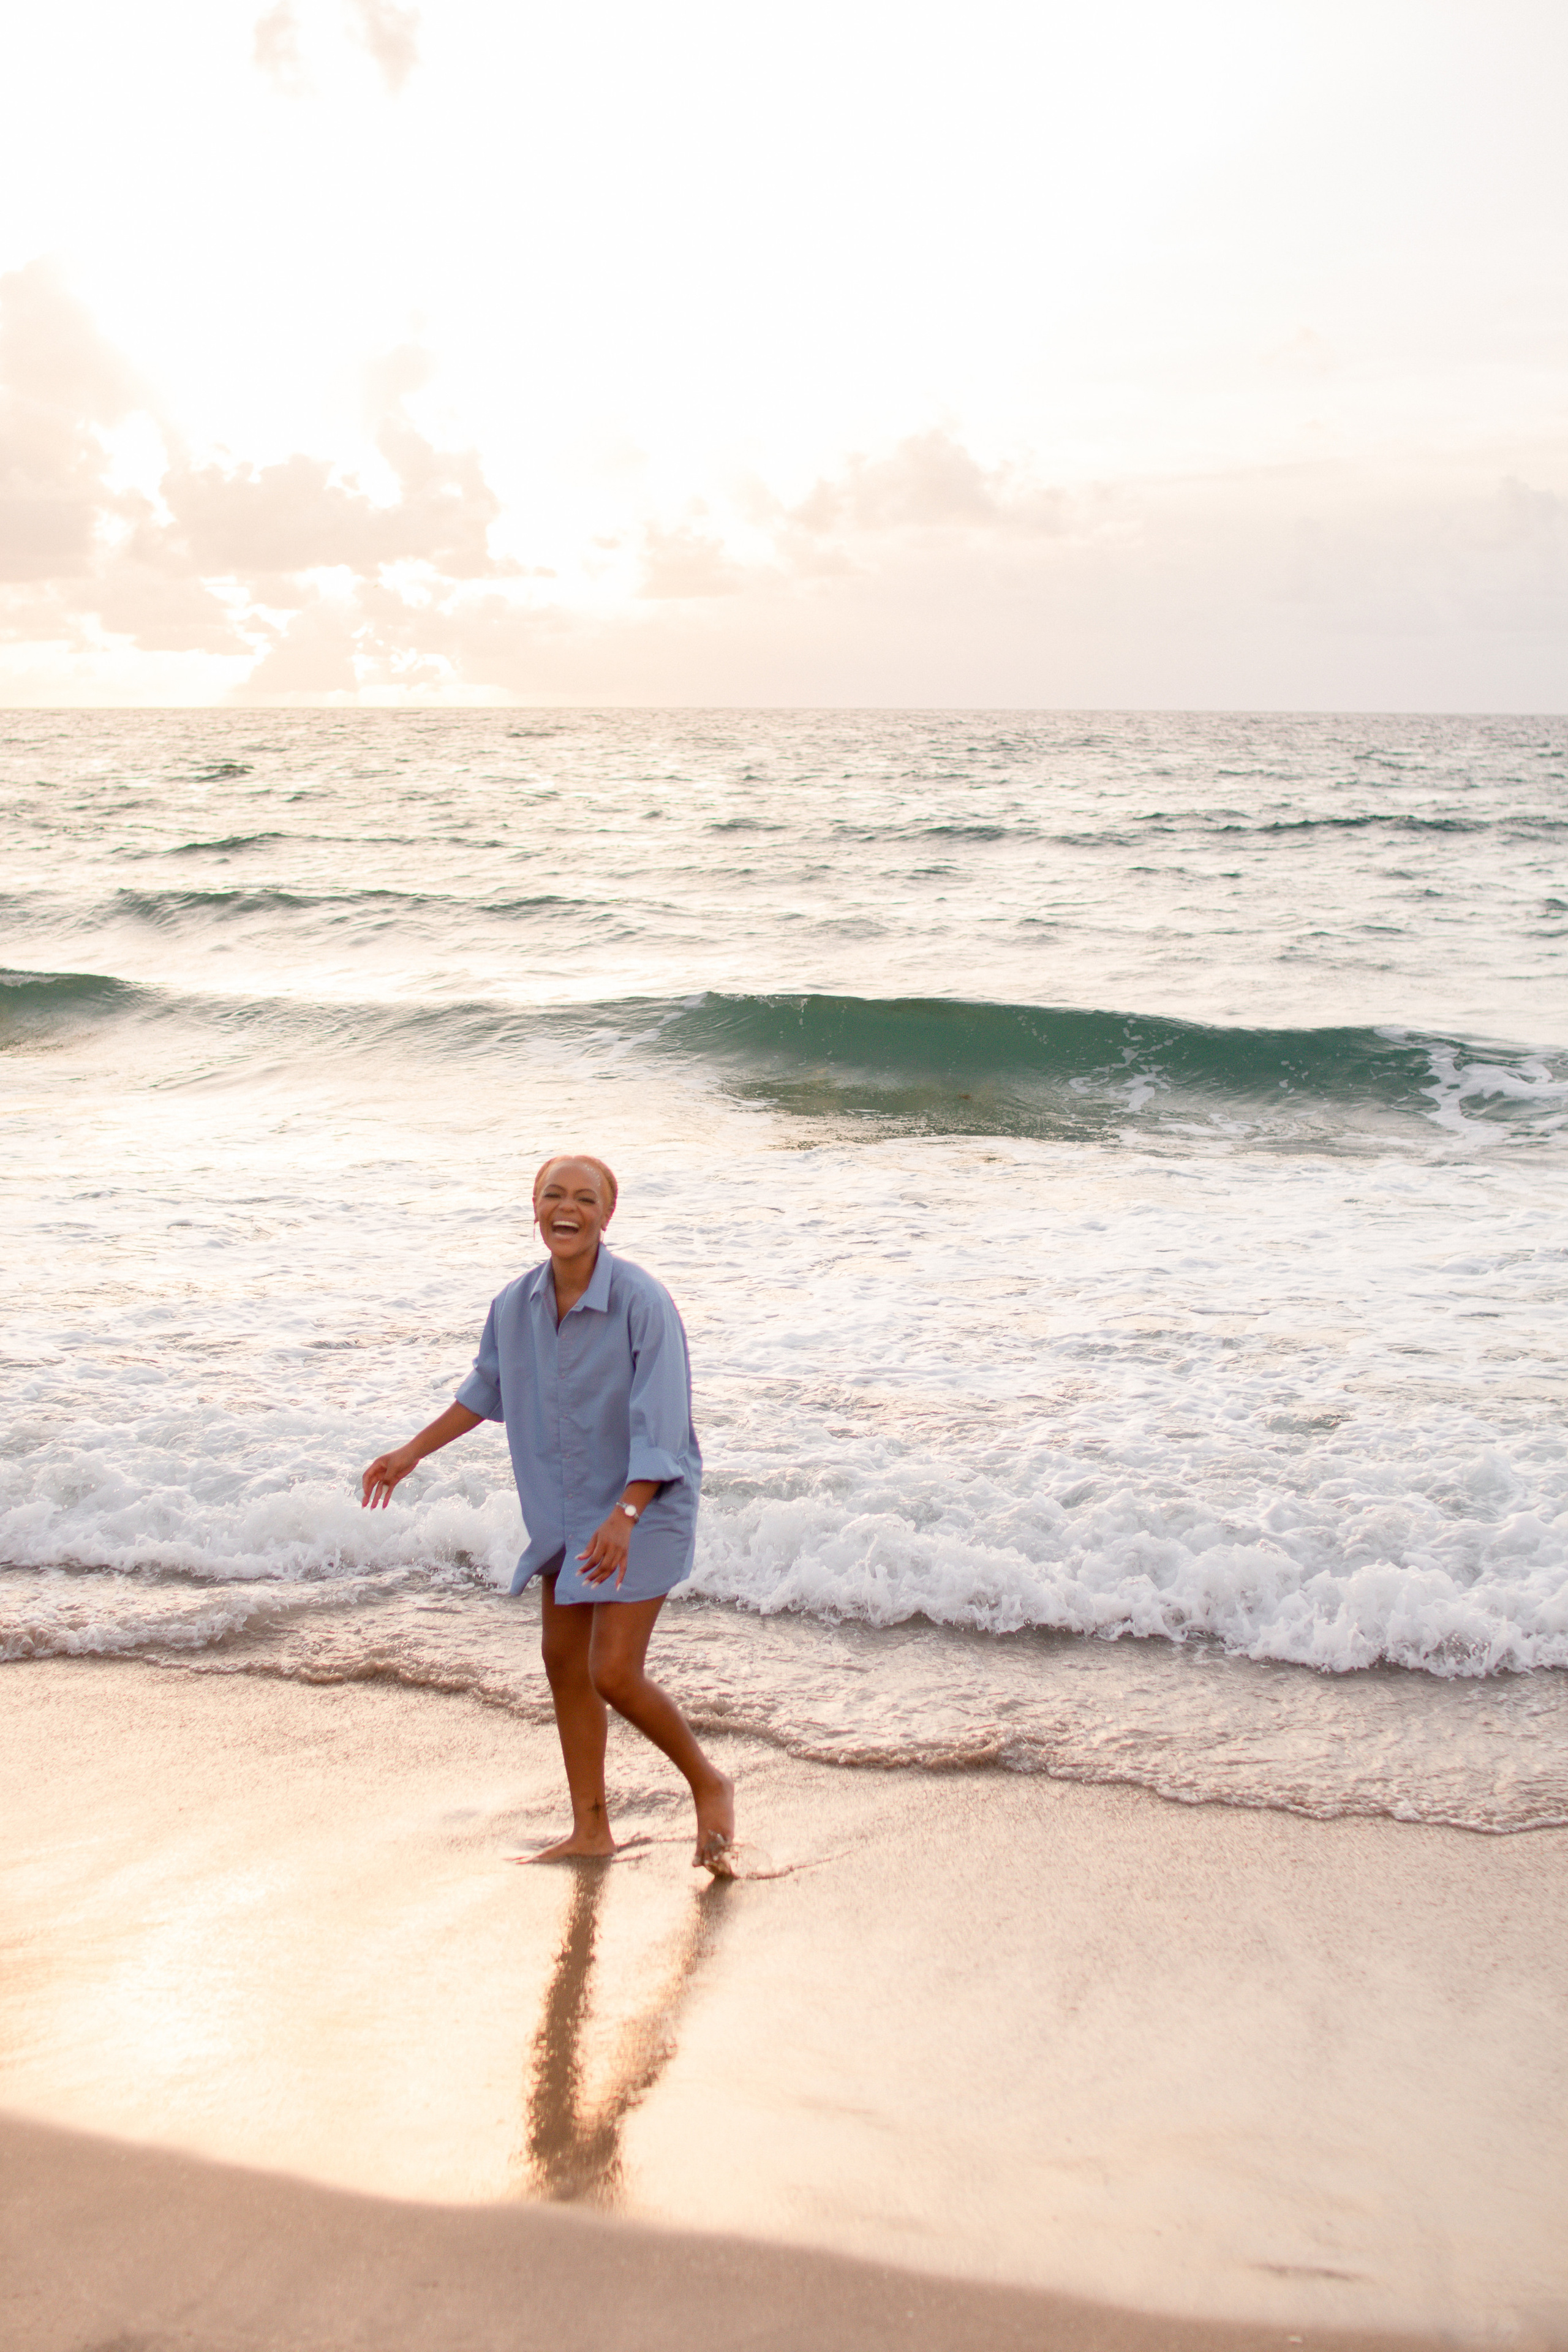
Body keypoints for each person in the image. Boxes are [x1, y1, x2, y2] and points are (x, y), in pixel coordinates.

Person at [360, 1154, 734, 1872]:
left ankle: (709, 1783)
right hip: (565, 1506)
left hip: (643, 1504)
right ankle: (592, 1830)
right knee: (563, 1663)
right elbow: (484, 1390)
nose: (568, 1209)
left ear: (607, 1214)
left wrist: (625, 1515)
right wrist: (412, 1452)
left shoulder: (643, 1303)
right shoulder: (515, 1304)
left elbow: (662, 1424)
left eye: (585, 1199)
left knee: (613, 1673)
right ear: (535, 1207)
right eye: (554, 1196)